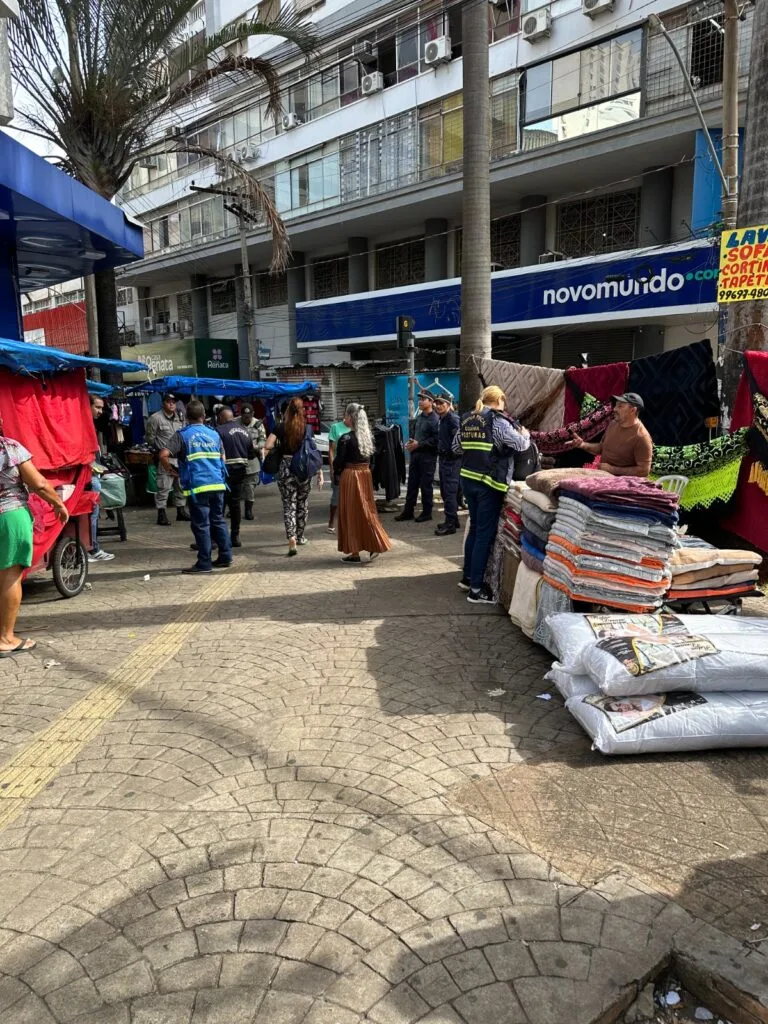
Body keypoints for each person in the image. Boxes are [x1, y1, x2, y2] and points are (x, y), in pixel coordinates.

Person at [453, 385, 530, 604]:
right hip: (488, 484)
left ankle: (467, 578)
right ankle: (476, 590)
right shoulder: (498, 422)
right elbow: (521, 445)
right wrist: (525, 434)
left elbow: (456, 447)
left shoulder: (467, 419)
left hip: (468, 480)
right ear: (499, 401)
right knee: (484, 535)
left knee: (475, 529)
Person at [0, 421, 69, 656]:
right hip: (9, 516)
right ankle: (5, 638)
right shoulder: (8, 448)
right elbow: (38, 483)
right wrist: (58, 504)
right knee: (10, 576)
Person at [159, 400, 232, 574]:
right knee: (218, 521)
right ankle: (225, 556)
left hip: (198, 487)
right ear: (203, 416)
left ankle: (204, 563)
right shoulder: (214, 434)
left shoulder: (182, 435)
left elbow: (163, 454)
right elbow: (223, 457)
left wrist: (171, 471)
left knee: (201, 525)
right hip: (218, 483)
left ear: (186, 417)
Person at [263, 397, 323, 556]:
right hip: (303, 469)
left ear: (288, 410)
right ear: (302, 410)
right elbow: (313, 450)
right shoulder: (307, 428)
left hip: (285, 469)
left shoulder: (280, 427)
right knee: (302, 502)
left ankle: (292, 537)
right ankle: (301, 535)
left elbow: (267, 445)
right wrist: (320, 473)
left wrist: (278, 447)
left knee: (289, 504)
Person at [334, 403, 392, 564]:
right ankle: (369, 545)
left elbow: (339, 461)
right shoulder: (368, 438)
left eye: (346, 414)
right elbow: (372, 461)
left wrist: (337, 473)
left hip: (351, 476)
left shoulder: (345, 439)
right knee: (366, 510)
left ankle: (356, 552)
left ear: (351, 417)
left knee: (351, 513)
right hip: (365, 475)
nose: (344, 417)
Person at [566, 392, 653, 477]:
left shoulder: (641, 437)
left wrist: (613, 469)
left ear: (632, 410)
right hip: (602, 475)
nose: (614, 409)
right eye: (616, 405)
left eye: (620, 406)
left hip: (621, 482)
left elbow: (644, 471)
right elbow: (601, 448)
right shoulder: (613, 424)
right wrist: (582, 445)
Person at [395, 391, 439, 523]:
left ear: (431, 402)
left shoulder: (435, 419)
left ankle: (427, 512)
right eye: (419, 399)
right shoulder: (420, 417)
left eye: (423, 399)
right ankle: (408, 511)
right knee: (412, 484)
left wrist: (419, 444)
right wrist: (412, 442)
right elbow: (416, 434)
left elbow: (436, 440)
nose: (420, 401)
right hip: (416, 455)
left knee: (426, 485)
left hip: (427, 457)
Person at [146, 392, 190, 526]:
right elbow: (150, 438)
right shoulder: (155, 418)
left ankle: (181, 511)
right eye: (168, 401)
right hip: (165, 457)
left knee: (181, 486)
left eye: (173, 401)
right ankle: (161, 513)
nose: (171, 404)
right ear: (163, 403)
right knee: (164, 487)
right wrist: (160, 449)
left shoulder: (180, 418)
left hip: (180, 458)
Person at [216, 407, 257, 548]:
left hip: (224, 471)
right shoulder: (245, 431)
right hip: (240, 471)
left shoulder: (219, 431)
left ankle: (217, 539)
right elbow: (251, 454)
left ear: (221, 417)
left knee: (219, 505)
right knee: (235, 505)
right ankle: (235, 537)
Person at [88, 396, 115, 563]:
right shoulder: (83, 424)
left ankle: (92, 547)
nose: (100, 411)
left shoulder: (92, 424)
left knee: (94, 513)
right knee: (92, 513)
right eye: (97, 407)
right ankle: (93, 548)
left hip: (93, 474)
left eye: (101, 408)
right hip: (89, 477)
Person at [433, 394, 461, 536]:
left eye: (441, 403)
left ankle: (450, 524)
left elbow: (459, 441)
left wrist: (452, 454)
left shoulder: (453, 419)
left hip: (452, 461)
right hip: (444, 460)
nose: (438, 406)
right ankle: (453, 519)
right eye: (436, 403)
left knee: (449, 493)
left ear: (449, 404)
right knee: (445, 492)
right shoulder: (442, 419)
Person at [236, 404, 266, 521]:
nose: (246, 419)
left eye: (248, 416)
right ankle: (234, 509)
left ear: (252, 414)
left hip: (251, 458)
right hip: (237, 458)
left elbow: (263, 441)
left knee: (249, 487)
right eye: (244, 416)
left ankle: (248, 510)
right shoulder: (235, 423)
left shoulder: (258, 425)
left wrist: (256, 446)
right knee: (236, 486)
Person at [327, 417, 351, 533]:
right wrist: (332, 468)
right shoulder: (335, 428)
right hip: (339, 467)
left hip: (352, 467)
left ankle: (347, 523)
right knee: (336, 496)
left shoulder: (357, 427)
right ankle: (331, 521)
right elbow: (331, 449)